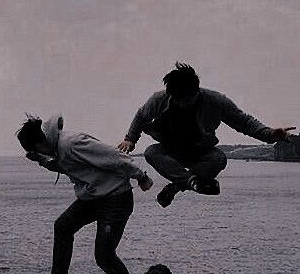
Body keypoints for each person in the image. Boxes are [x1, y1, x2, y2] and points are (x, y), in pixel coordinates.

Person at [17, 115, 153, 274]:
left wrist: (140, 176)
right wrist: (43, 161)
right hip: (93, 198)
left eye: (35, 150)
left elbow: (114, 156)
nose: (37, 153)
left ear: (40, 142)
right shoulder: (57, 149)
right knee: (62, 227)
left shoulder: (72, 143)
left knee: (104, 255)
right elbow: (69, 166)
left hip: (116, 197)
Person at [118, 62, 295, 207]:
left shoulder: (215, 101)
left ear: (197, 92)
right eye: (177, 100)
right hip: (169, 150)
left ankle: (176, 187)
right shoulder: (159, 100)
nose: (181, 104)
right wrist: (130, 139)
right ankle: (190, 182)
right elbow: (141, 116)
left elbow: (244, 122)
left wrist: (270, 134)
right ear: (171, 94)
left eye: (186, 100)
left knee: (219, 158)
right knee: (150, 152)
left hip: (199, 151)